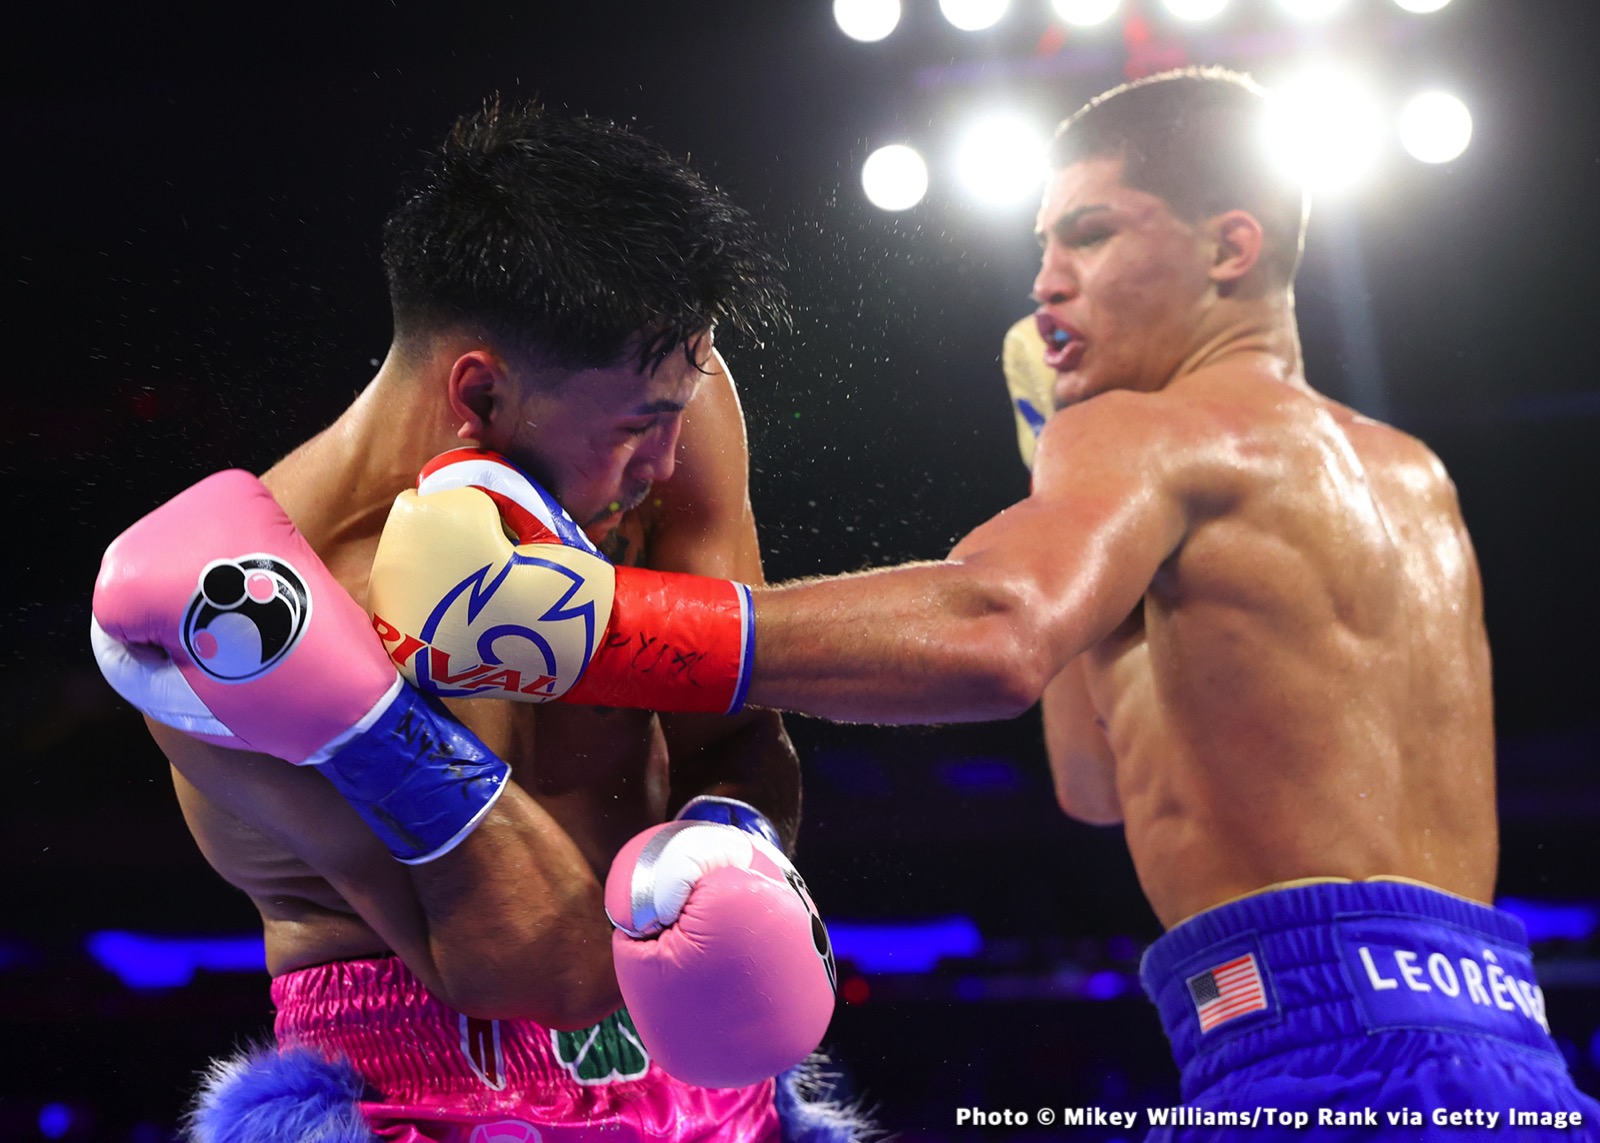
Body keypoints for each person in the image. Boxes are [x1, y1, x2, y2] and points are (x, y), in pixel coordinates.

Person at [382, 69, 1599, 1137]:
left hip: (1320, 1068)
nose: (1044, 285)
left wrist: (595, 625)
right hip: (1509, 1058)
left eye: (1088, 234)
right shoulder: (1408, 473)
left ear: (1229, 248)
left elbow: (997, 632)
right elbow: (1095, 782)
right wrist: (1048, 466)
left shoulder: (1150, 433)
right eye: (1039, 248)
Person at [91, 99, 854, 1143]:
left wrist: (734, 839)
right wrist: (363, 719)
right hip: (420, 1098)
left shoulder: (664, 396)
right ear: (482, 393)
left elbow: (735, 732)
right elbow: (554, 970)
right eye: (638, 431)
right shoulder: (253, 614)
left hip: (716, 1096)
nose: (665, 467)